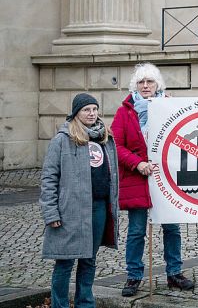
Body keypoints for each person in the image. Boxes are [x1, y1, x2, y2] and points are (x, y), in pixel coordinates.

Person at [113, 63, 194, 297]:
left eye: (150, 81)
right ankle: (134, 275)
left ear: (158, 84)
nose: (146, 86)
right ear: (135, 86)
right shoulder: (125, 112)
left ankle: (174, 273)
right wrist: (137, 163)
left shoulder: (169, 106)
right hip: (137, 177)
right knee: (137, 230)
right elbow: (116, 145)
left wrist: (176, 107)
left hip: (165, 177)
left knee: (172, 227)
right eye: (141, 82)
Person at [41, 93, 120, 308]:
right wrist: (51, 213)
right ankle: (60, 304)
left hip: (98, 208)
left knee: (89, 259)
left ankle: (85, 303)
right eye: (86, 110)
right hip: (70, 210)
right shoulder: (62, 139)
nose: (92, 114)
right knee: (65, 261)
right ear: (76, 113)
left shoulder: (105, 137)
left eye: (94, 109)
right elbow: (49, 178)